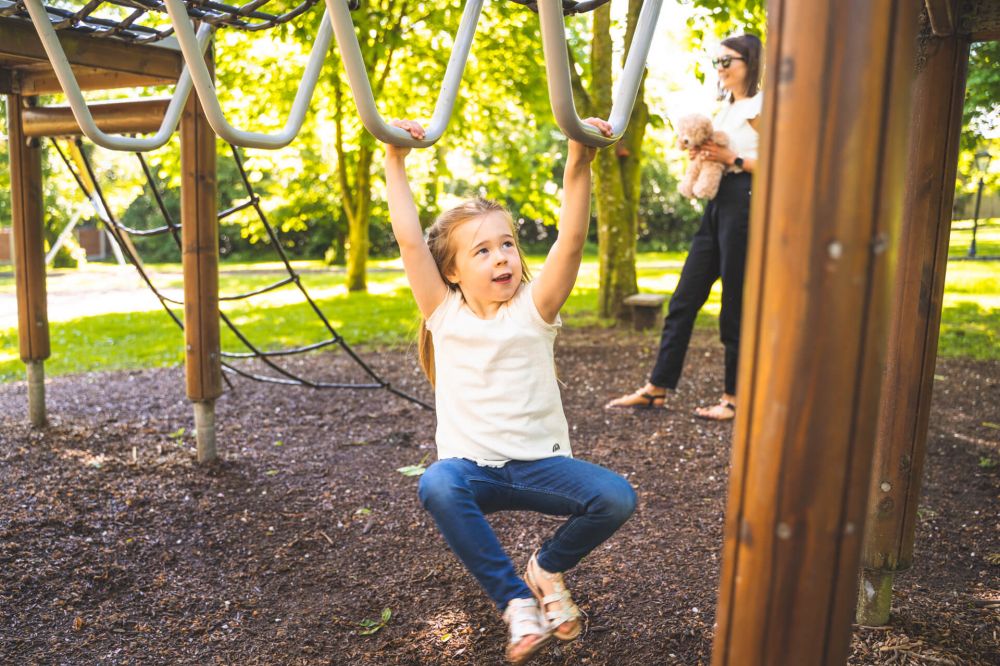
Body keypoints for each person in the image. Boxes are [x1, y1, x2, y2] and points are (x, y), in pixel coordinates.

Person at [383, 117, 637, 665]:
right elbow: (408, 238)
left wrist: (578, 160)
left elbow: (571, 240)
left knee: (616, 498)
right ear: (449, 272)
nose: (501, 257)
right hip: (474, 468)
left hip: (540, 467)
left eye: (507, 244)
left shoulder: (534, 309)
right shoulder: (443, 313)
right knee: (438, 483)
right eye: (482, 251)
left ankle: (545, 569)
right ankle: (518, 602)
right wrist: (394, 160)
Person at [606, 34, 764, 421]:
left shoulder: (763, 105)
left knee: (735, 304)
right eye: (717, 62)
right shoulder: (726, 107)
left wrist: (733, 158)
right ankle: (657, 388)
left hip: (745, 201)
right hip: (717, 204)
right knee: (683, 299)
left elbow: (786, 161)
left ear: (750, 61)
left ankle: (733, 398)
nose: (721, 68)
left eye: (728, 60)